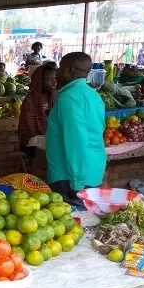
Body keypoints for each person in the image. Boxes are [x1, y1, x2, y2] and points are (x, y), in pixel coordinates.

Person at [45, 52, 105, 204]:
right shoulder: (93, 95)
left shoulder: (69, 97)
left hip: (70, 176)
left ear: (69, 70)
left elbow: (76, 141)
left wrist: (77, 183)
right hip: (91, 171)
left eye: (60, 67)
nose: (57, 72)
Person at [17, 62, 57, 154]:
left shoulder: (53, 97)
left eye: (55, 78)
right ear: (40, 81)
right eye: (49, 79)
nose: (54, 82)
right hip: (31, 142)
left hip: (49, 138)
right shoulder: (30, 100)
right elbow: (29, 129)